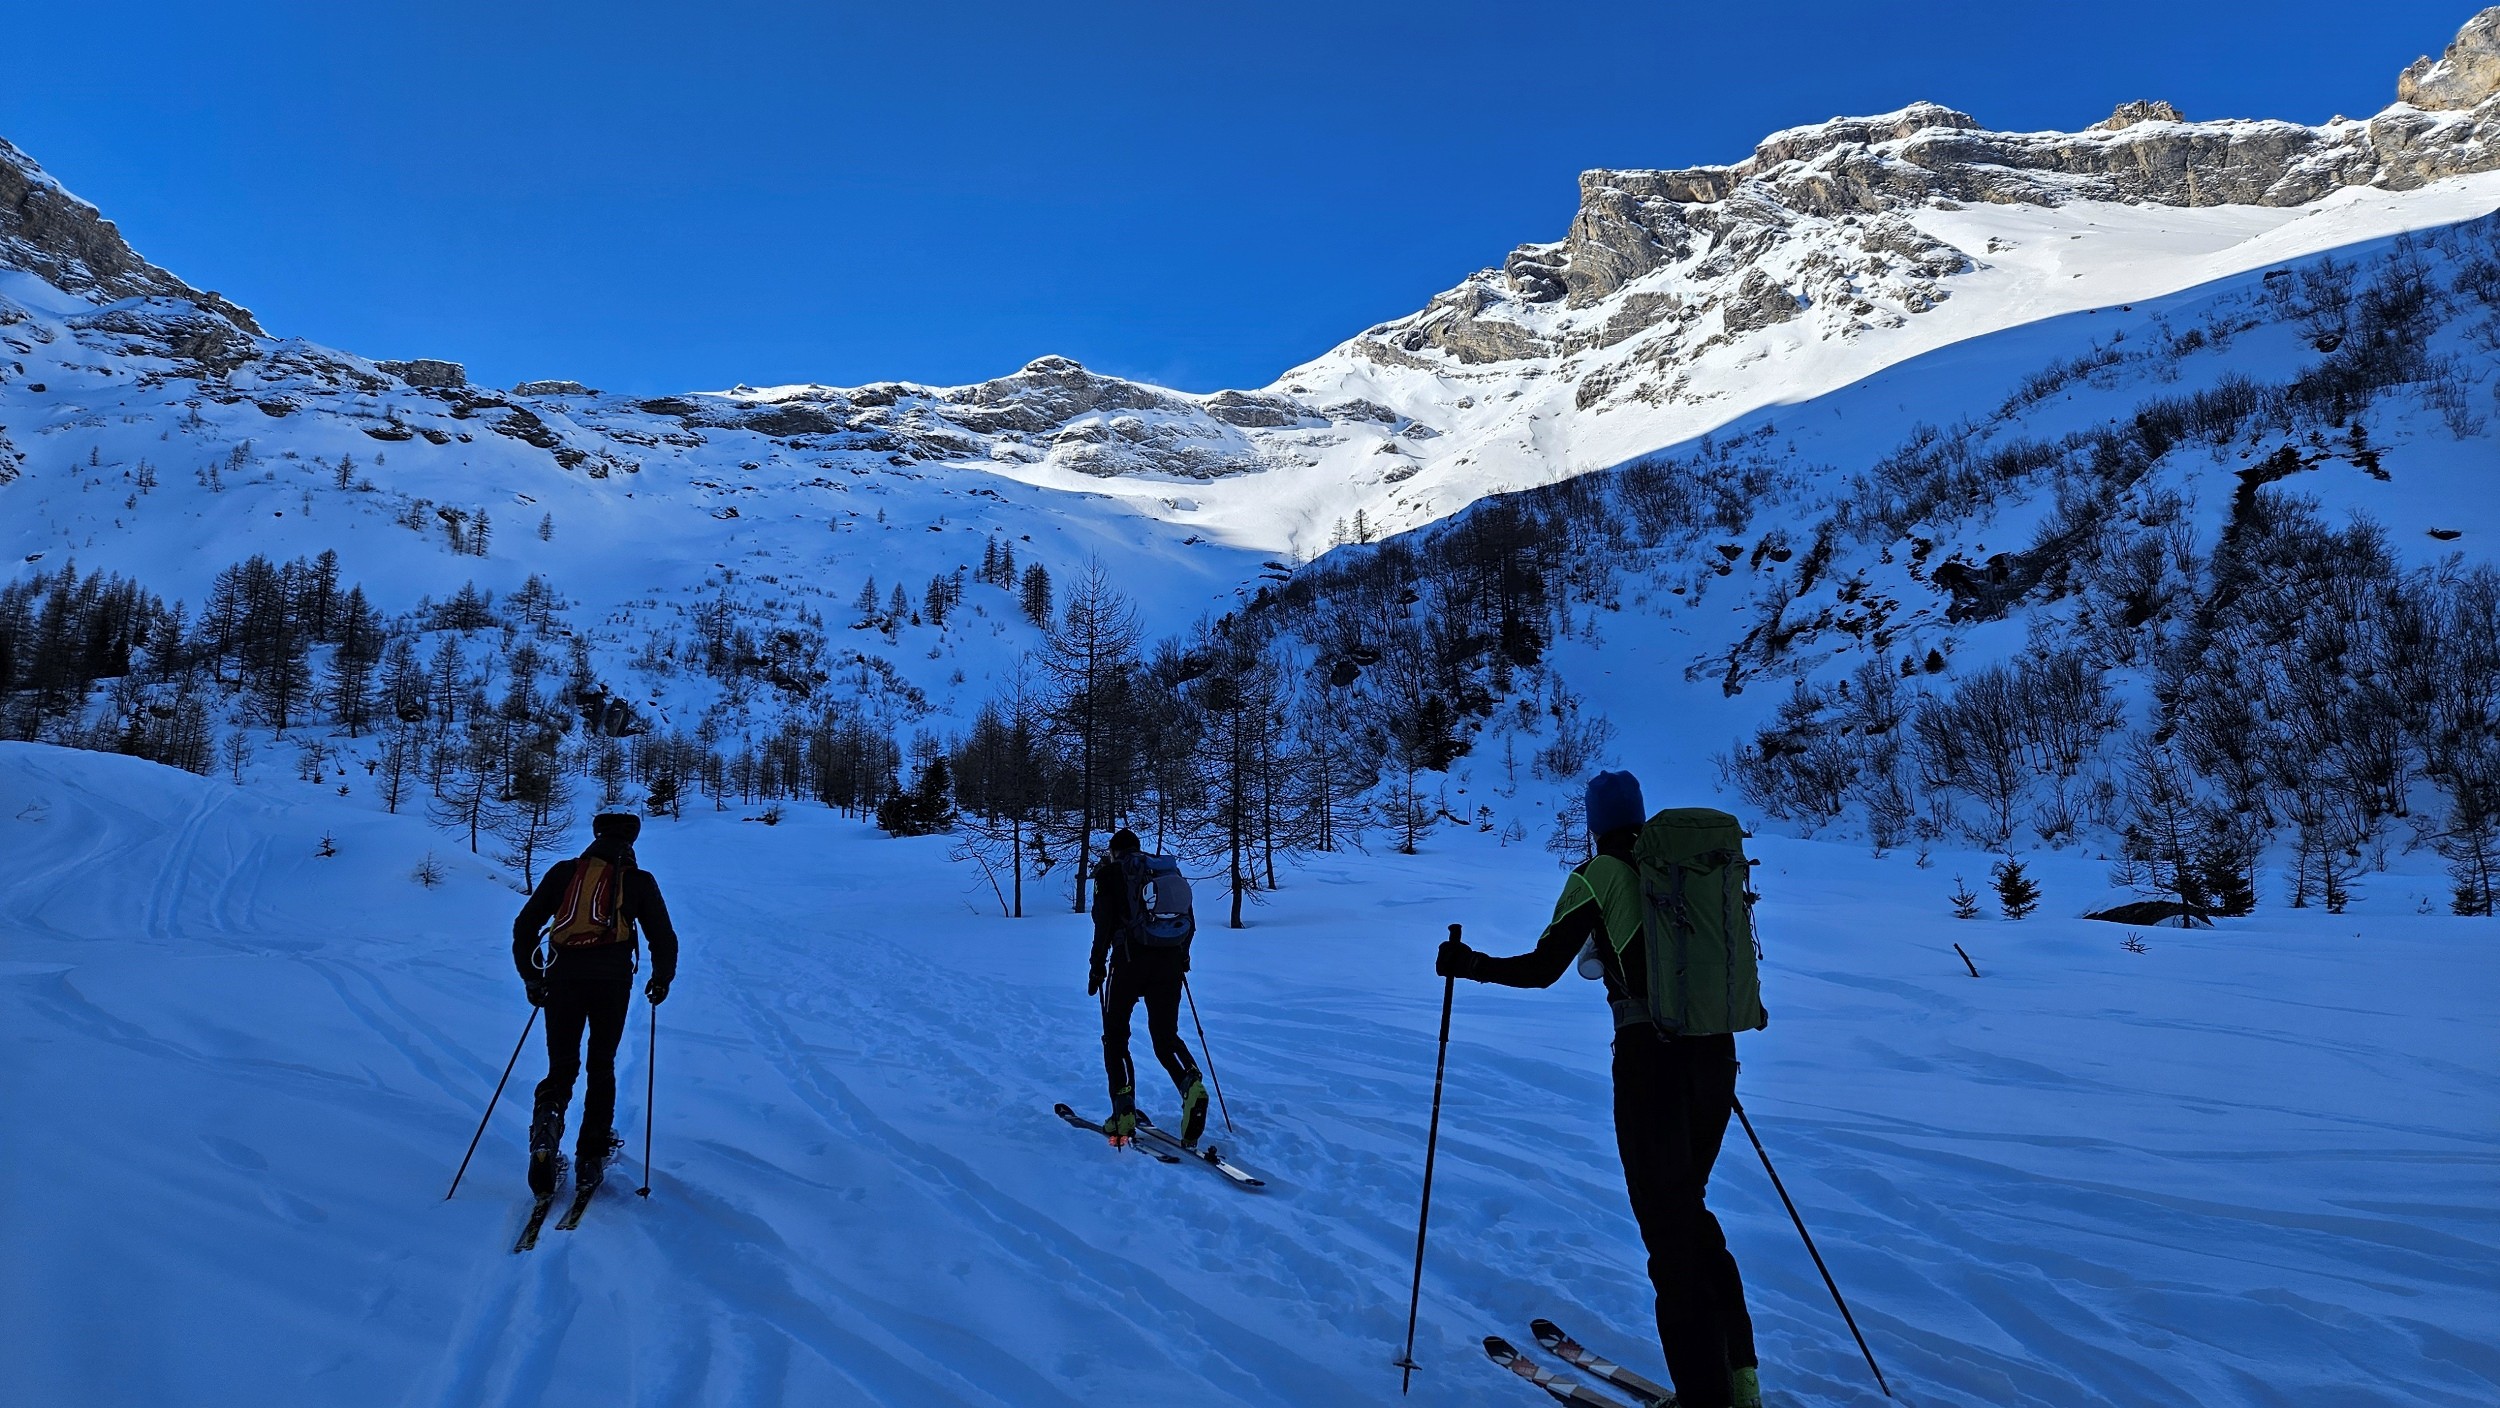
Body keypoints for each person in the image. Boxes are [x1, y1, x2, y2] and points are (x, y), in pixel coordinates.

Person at [1436, 771, 1763, 1408]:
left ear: (1594, 822)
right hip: (1714, 1055)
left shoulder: (1599, 874)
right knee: (1691, 1215)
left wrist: (1468, 964)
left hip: (1650, 1065)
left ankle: (1706, 1399)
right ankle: (1740, 1378)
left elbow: (1540, 971)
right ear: (1641, 817)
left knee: (1669, 1237)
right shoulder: (1680, 871)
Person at [512, 812, 679, 1194]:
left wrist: (531, 977)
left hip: (561, 979)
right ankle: (591, 1154)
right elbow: (663, 937)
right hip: (611, 983)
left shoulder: (563, 873)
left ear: (596, 836)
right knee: (601, 1064)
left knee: (562, 1066)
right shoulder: (637, 881)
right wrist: (661, 979)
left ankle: (545, 1134)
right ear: (631, 842)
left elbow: (525, 926)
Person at [1087, 828, 1208, 1147]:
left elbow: (1103, 925)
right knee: (1165, 1037)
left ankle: (1123, 1112)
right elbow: (1189, 922)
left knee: (1115, 1037)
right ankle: (1191, 1084)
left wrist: (1096, 966)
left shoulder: (1110, 873)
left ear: (1114, 851)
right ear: (1138, 849)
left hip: (1127, 963)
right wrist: (1181, 957)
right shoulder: (1166, 872)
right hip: (1168, 964)